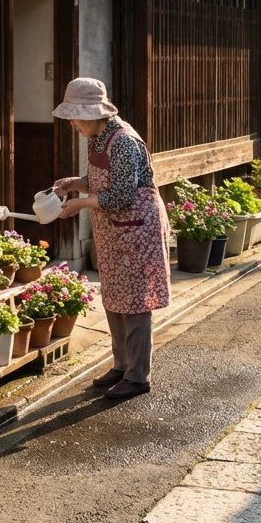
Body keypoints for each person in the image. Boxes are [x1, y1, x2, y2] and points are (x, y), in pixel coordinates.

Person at [51, 77, 170, 400]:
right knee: (114, 298)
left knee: (134, 302)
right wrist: (74, 183)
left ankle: (137, 375)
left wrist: (80, 204)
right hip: (114, 231)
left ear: (93, 114)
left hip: (135, 228)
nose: (73, 123)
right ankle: (121, 365)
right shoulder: (97, 137)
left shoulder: (123, 141)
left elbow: (121, 193)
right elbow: (100, 180)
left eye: (76, 116)